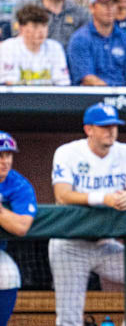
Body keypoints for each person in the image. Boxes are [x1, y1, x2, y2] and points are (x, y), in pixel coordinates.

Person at [49, 103, 126, 326]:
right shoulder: (67, 152)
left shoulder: (125, 152)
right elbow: (62, 195)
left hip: (105, 245)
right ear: (89, 129)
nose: (111, 131)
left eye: (114, 125)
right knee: (69, 318)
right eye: (104, 126)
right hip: (70, 244)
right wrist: (103, 198)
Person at [67, 0, 126, 86]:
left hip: (122, 98)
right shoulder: (80, 39)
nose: (109, 8)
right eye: (104, 4)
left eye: (113, 4)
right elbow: (87, 79)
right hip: (91, 98)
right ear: (92, 8)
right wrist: (113, 96)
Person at [0, 131, 37, 326]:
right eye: (0, 155)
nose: (5, 161)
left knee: (8, 274)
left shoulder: (18, 184)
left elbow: (22, 227)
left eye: (8, 155)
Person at [0, 4, 69, 85]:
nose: (41, 31)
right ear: (21, 28)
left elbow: (62, 84)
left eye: (44, 26)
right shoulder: (9, 47)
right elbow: (9, 83)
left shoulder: (55, 48)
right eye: (35, 26)